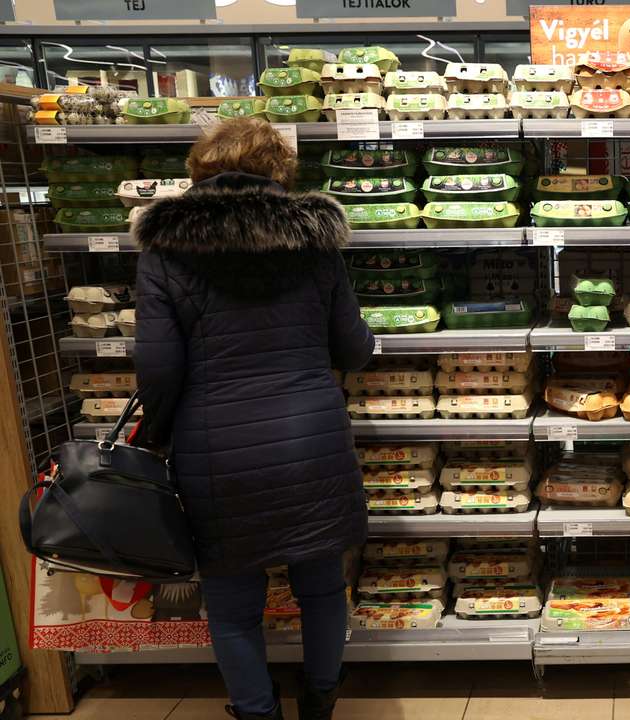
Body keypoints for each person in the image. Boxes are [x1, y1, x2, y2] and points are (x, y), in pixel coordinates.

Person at [132, 117, 374, 720]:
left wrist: (156, 439)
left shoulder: (165, 248)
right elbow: (355, 349)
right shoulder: (314, 243)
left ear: (199, 170)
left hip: (216, 447)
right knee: (320, 585)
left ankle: (255, 711)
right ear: (279, 172)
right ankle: (319, 700)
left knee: (232, 598)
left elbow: (158, 370)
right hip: (310, 437)